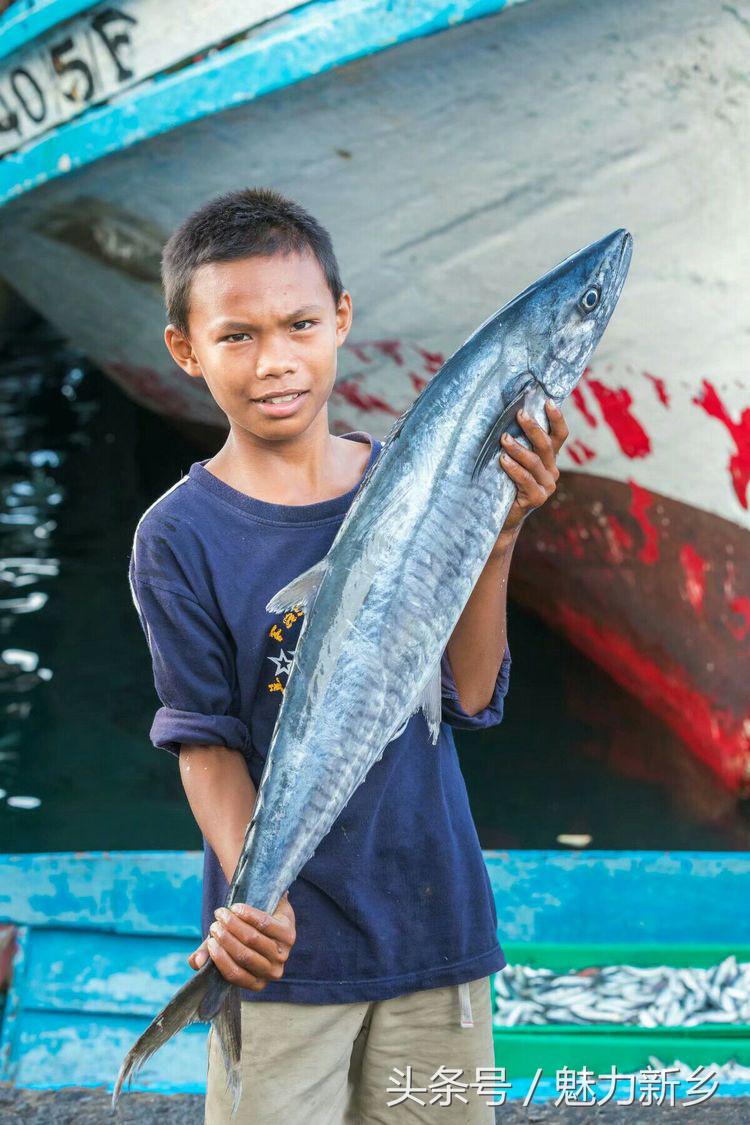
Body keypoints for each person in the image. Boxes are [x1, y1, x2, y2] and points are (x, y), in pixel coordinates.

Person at [128, 187, 568, 1123]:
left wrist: (499, 533)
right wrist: (257, 903)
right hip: (280, 956)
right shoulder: (179, 535)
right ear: (185, 349)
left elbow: (470, 694)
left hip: (436, 926)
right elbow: (204, 742)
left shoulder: (413, 482)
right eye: (237, 335)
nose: (275, 360)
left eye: (299, 324)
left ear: (341, 318)